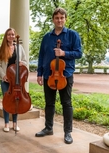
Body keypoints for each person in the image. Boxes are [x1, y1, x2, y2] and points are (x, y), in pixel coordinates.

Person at [35, 7, 82, 144]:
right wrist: (39, 73)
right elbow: (41, 56)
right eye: (57, 18)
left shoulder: (73, 35)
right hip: (48, 75)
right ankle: (48, 128)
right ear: (53, 20)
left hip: (65, 74)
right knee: (49, 103)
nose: (59, 20)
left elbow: (78, 53)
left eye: (62, 18)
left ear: (65, 19)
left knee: (66, 103)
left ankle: (68, 132)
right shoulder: (46, 37)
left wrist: (64, 54)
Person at [0, 28, 27, 132]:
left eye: (13, 34)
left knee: (16, 100)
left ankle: (15, 123)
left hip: (17, 80)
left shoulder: (19, 48)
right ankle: (6, 123)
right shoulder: (0, 49)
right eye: (9, 34)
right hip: (6, 79)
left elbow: (26, 62)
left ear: (15, 35)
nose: (11, 36)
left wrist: (22, 63)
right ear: (6, 36)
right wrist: (4, 75)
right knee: (7, 101)